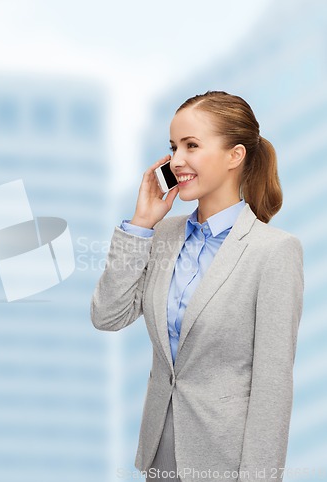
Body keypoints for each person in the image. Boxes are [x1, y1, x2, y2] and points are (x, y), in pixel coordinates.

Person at [90, 91, 304, 482]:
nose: (176, 161)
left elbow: (273, 387)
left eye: (192, 145)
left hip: (226, 462)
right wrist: (140, 225)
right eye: (173, 147)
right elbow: (107, 316)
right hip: (159, 456)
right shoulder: (163, 235)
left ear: (234, 156)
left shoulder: (274, 251)